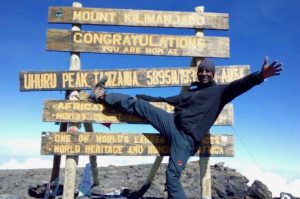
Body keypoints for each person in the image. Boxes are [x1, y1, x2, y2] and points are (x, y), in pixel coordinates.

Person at [88, 57, 282, 199]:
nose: (204, 73)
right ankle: (101, 96)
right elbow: (168, 99)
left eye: (208, 71)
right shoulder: (192, 92)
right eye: (201, 70)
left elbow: (240, 85)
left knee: (172, 177)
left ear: (213, 74)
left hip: (186, 140)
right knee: (142, 106)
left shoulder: (220, 92)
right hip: (172, 125)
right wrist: (147, 98)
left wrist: (260, 76)